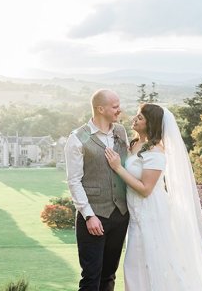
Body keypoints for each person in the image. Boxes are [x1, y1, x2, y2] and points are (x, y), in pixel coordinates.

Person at [105, 103, 202, 291]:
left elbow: (145, 189)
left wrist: (117, 167)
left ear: (151, 123)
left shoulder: (156, 152)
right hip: (135, 214)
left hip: (151, 212)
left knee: (154, 264)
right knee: (134, 267)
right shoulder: (134, 145)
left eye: (140, 118)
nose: (134, 119)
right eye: (136, 115)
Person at [64, 89, 130, 291]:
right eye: (115, 106)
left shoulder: (121, 132)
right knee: (91, 278)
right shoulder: (77, 139)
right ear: (100, 109)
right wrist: (89, 216)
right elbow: (74, 181)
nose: (120, 110)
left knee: (109, 276)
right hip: (93, 218)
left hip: (120, 215)